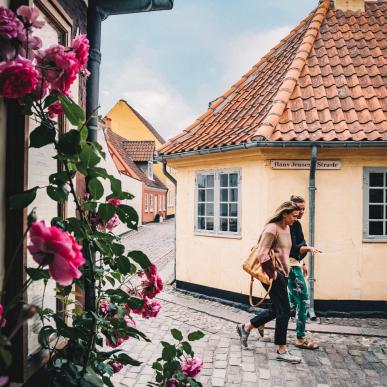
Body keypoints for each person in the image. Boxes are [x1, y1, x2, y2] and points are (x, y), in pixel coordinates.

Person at [237, 201, 301, 364]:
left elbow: (286, 251)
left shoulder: (287, 228)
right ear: (284, 214)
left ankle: (246, 327)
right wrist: (273, 275)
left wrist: (298, 266)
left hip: (283, 274)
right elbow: (262, 253)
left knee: (276, 309)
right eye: (294, 215)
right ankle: (282, 350)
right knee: (285, 311)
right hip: (274, 275)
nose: (296, 218)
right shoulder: (272, 229)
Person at [288, 195, 321, 350]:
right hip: (290, 268)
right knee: (304, 301)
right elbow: (293, 249)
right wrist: (308, 249)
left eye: (303, 209)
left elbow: (301, 243)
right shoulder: (287, 225)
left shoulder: (297, 224)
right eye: (298, 209)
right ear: (290, 208)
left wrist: (304, 263)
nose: (301, 212)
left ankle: (253, 324)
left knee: (290, 303)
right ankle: (300, 338)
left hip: (296, 265)